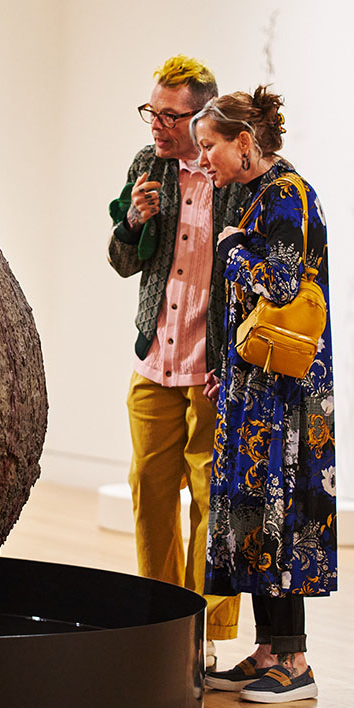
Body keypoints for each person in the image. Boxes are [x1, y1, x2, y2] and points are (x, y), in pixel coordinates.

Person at [192, 87, 336, 704]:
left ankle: (295, 661)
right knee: (257, 515)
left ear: (243, 142)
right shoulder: (260, 197)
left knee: (285, 518)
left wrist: (229, 247)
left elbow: (277, 288)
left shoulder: (286, 197)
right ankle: (268, 649)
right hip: (256, 386)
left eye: (210, 147)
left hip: (286, 394)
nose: (205, 161)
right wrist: (223, 364)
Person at [106, 56, 247, 666]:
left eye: (170, 115)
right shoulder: (147, 166)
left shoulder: (232, 178)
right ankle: (157, 621)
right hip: (155, 358)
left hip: (209, 371)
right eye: (152, 113)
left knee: (210, 498)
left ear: (202, 117)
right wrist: (135, 220)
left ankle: (204, 636)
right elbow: (121, 260)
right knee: (150, 492)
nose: (157, 125)